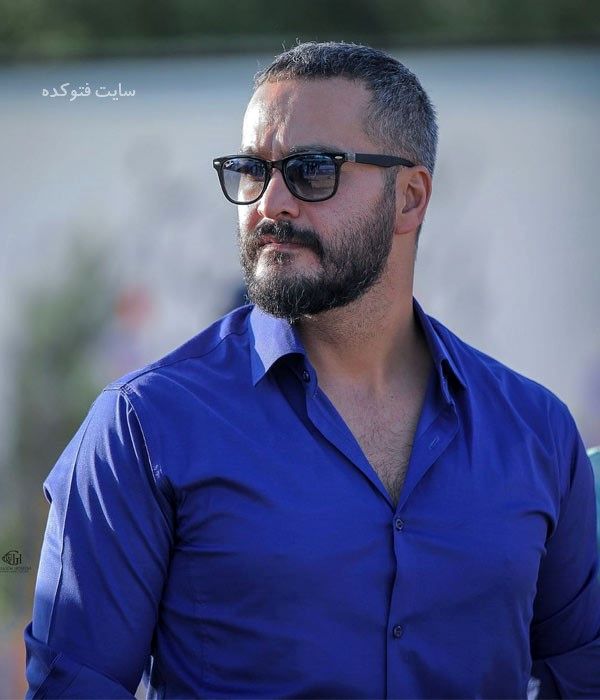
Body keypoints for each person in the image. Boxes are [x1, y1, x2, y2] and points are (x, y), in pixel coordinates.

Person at [25, 41, 600, 699]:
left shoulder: (536, 432)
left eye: (312, 170)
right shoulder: (144, 426)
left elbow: (581, 678)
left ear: (410, 198)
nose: (270, 203)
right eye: (252, 170)